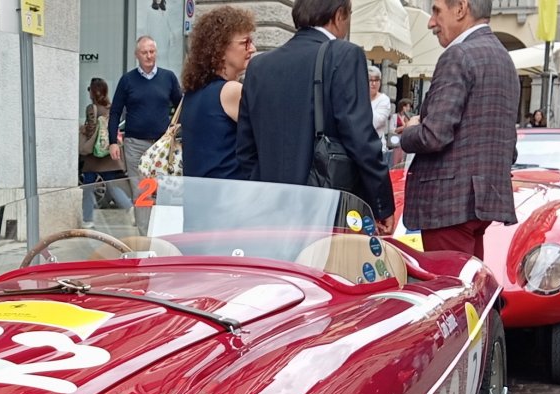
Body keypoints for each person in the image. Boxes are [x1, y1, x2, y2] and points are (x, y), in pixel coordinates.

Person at [235, 0, 396, 232]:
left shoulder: (260, 65)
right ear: (339, 15)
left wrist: (262, 191)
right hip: (325, 207)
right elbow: (360, 137)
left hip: (268, 209)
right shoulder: (344, 54)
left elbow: (245, 148)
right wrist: (381, 203)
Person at [396, 0, 518, 258]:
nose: (431, 22)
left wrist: (410, 129)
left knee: (453, 292)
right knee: (471, 289)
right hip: (482, 201)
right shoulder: (504, 59)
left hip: (449, 204)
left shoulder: (458, 55)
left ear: (461, 9)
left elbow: (433, 135)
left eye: (437, 11)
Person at [180, 6, 256, 179]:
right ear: (221, 49)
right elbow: (267, 137)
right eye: (245, 42)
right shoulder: (231, 91)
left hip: (199, 195)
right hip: (227, 196)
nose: (252, 48)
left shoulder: (193, 93)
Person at [108, 36, 183, 198]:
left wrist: (179, 128)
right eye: (144, 52)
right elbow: (115, 112)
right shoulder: (127, 80)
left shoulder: (168, 77)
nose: (149, 56)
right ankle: (143, 225)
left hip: (163, 144)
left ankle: (161, 223)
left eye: (152, 52)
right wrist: (113, 142)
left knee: (165, 189)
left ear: (156, 53)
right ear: (137, 55)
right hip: (135, 144)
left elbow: (181, 106)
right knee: (141, 191)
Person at [79, 78, 131, 225]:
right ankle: (129, 206)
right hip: (108, 152)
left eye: (90, 89)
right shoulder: (110, 108)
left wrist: (82, 129)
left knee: (88, 186)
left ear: (94, 91)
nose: (89, 92)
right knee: (111, 184)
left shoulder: (92, 108)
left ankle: (88, 219)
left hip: (94, 155)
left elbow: (90, 130)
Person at [368, 64, 392, 164]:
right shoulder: (358, 98)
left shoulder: (384, 100)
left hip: (376, 149)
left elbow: (376, 122)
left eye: (376, 80)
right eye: (370, 80)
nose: (373, 83)